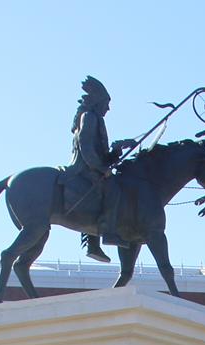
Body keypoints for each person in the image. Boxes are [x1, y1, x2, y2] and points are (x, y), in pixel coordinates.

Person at [63, 75, 136, 264]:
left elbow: (101, 152)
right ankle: (107, 234)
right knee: (113, 189)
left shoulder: (96, 119)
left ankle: (92, 244)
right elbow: (85, 146)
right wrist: (101, 168)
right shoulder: (89, 117)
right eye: (106, 103)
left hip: (93, 165)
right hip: (84, 167)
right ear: (98, 102)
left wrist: (118, 149)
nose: (108, 108)